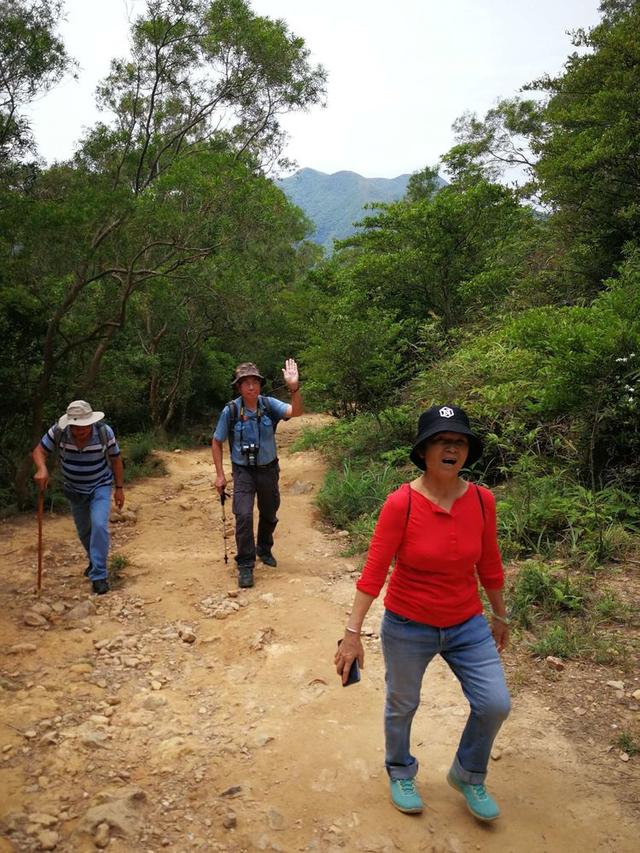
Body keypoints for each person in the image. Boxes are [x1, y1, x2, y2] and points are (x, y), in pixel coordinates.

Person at [335, 404, 511, 822]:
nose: (452, 449)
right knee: (403, 704)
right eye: (442, 441)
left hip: (467, 623)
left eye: (460, 442)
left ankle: (468, 773)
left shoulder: (482, 501)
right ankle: (400, 771)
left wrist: (500, 616)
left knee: (495, 703)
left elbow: (489, 563)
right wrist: (352, 634)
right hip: (408, 624)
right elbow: (374, 571)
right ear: (423, 451)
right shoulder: (402, 504)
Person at [211, 359, 303, 588]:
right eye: (246, 383)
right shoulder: (231, 410)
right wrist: (220, 475)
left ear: (260, 385)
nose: (251, 387)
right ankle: (245, 564)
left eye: (255, 382)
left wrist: (294, 388)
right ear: (239, 387)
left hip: (268, 469)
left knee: (269, 512)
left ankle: (264, 548)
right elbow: (216, 441)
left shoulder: (269, 405)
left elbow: (296, 411)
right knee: (243, 515)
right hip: (243, 471)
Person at [32, 400, 125, 595]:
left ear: (91, 422)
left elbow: (116, 459)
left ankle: (99, 576)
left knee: (99, 525)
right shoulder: (59, 432)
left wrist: (119, 488)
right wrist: (42, 468)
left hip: (100, 485)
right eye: (75, 427)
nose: (79, 431)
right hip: (74, 489)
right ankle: (94, 559)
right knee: (84, 532)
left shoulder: (104, 432)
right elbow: (39, 451)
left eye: (84, 426)